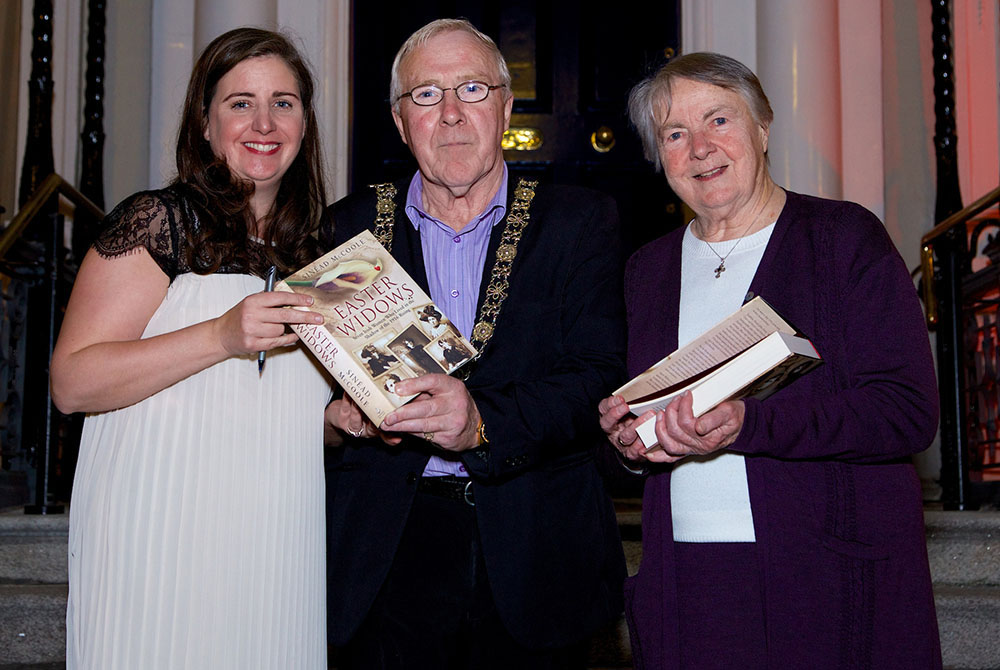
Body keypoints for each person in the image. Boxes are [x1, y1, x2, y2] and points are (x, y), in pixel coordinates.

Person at [598, 52, 941, 668]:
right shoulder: (647, 270)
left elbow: (905, 411)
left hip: (821, 573)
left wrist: (750, 424)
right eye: (675, 134)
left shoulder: (841, 239)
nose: (700, 148)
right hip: (688, 574)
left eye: (719, 121)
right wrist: (629, 440)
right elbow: (653, 418)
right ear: (660, 158)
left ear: (761, 128)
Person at [322, 18, 627, 669]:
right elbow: (303, 389)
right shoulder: (348, 230)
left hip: (538, 550)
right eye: (426, 95)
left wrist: (483, 422)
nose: (452, 114)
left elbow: (599, 376)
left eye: (472, 89)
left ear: (507, 106)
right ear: (401, 122)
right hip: (385, 555)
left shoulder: (577, 221)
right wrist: (332, 415)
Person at [50, 28, 331, 669]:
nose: (264, 122)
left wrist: (342, 422)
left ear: (306, 122)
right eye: (240, 102)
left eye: (284, 102)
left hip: (273, 535)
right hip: (163, 527)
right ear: (204, 123)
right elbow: (71, 381)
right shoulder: (158, 221)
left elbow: (277, 408)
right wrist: (219, 336)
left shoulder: (318, 256)